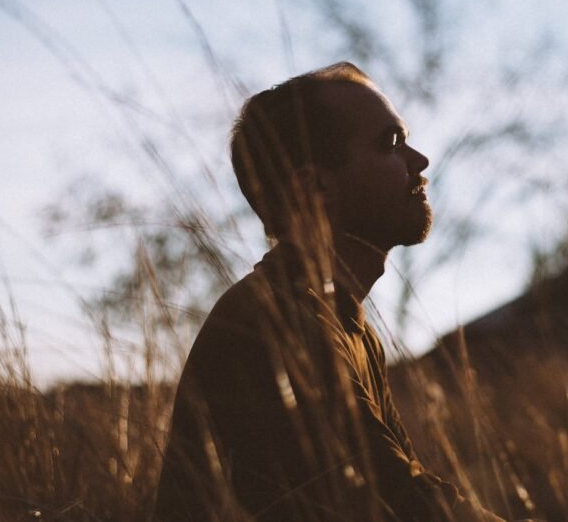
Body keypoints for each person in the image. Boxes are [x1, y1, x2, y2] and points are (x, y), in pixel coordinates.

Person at [152, 62, 507, 521]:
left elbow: (404, 484)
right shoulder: (277, 321)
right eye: (391, 143)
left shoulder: (349, 326)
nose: (419, 161)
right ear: (315, 187)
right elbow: (397, 500)